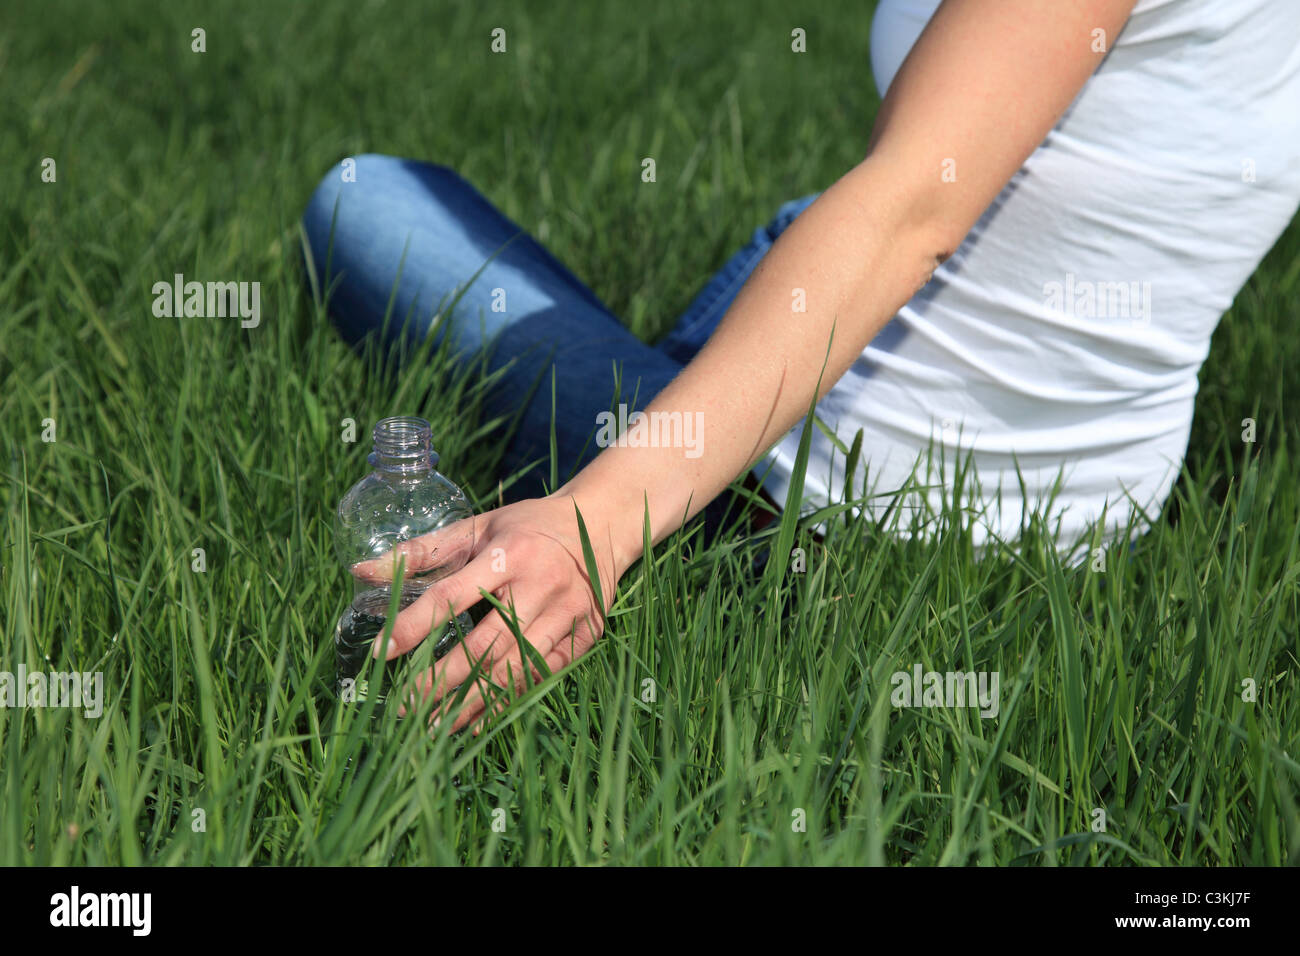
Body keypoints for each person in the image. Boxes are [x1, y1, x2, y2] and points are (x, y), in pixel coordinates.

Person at [302, 0, 1300, 731]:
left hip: (807, 514)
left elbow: (907, 215)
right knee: (794, 226)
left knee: (365, 201)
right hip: (1088, 526)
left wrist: (595, 523)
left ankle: (684, 426)